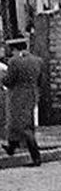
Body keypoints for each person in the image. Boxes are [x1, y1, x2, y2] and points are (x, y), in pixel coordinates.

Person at [3, 36, 43, 167]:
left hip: (17, 96)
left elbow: (9, 80)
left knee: (21, 125)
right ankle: (11, 147)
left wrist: (2, 77)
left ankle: (36, 156)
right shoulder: (37, 60)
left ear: (15, 49)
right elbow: (40, 80)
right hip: (32, 94)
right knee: (21, 122)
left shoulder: (14, 61)